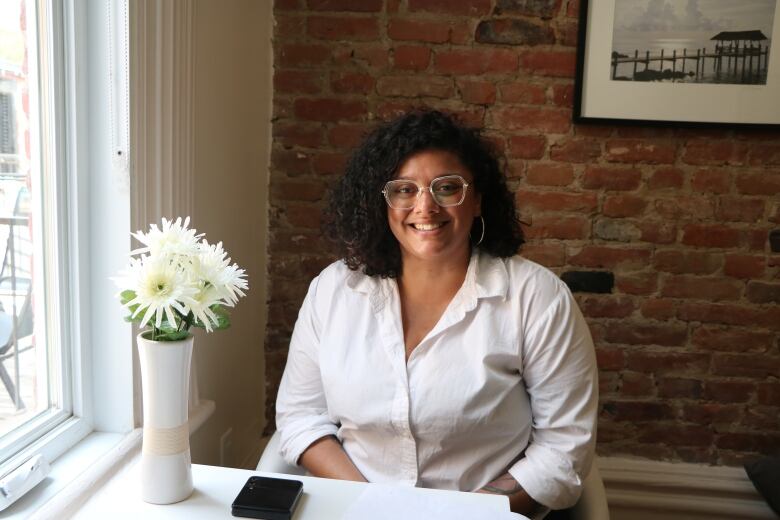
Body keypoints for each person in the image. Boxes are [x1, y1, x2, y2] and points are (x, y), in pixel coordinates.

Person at [275, 110, 598, 518]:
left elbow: (563, 449)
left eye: (446, 188)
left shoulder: (538, 298)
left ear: (478, 199)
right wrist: (374, 509)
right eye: (404, 189)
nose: (424, 207)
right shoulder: (332, 290)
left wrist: (456, 515)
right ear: (383, 203)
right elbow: (302, 416)